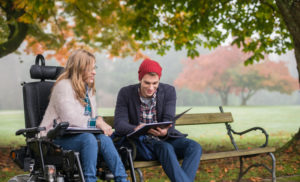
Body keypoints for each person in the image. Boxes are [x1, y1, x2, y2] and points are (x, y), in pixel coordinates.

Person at [39, 49, 128, 182]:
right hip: (55, 138)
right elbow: (70, 119)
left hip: (79, 135)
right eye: (90, 69)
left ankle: (122, 179)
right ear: (79, 69)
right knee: (89, 139)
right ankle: (89, 179)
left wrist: (97, 119)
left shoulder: (89, 88)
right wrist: (96, 122)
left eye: (94, 68)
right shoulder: (63, 86)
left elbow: (89, 117)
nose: (94, 72)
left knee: (104, 139)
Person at [114, 58, 202, 182]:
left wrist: (165, 132)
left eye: (155, 83)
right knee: (165, 148)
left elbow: (168, 119)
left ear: (159, 80)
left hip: (164, 138)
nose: (151, 87)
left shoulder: (168, 91)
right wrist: (136, 128)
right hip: (140, 142)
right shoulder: (126, 93)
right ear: (140, 79)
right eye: (147, 83)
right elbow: (119, 124)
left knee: (194, 147)